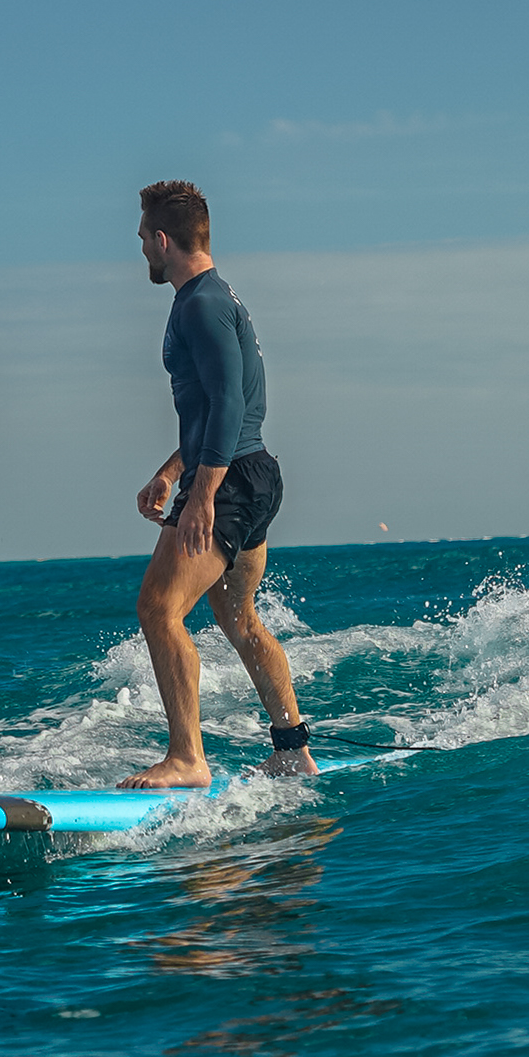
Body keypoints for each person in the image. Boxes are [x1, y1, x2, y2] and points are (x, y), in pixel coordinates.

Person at [120, 180, 315, 789]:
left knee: (159, 609)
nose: (143, 254)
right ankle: (291, 747)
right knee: (237, 616)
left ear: (161, 238)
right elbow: (214, 409)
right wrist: (172, 470)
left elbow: (230, 403)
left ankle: (187, 758)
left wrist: (201, 493)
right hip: (251, 473)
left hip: (229, 483)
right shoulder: (216, 297)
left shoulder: (200, 304)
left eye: (142, 241)